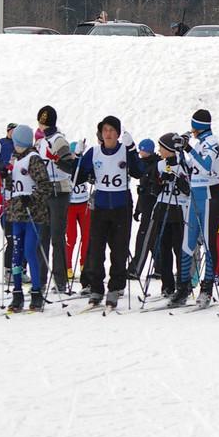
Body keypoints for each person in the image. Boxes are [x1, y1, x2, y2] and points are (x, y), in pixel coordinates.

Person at [75, 116, 144, 308]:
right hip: (101, 205)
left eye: (112, 130)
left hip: (121, 204)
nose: (109, 134)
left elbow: (139, 172)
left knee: (119, 250)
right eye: (105, 130)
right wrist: (77, 158)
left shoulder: (124, 150)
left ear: (118, 133)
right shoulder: (95, 152)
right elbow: (77, 177)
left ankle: (115, 288)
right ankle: (96, 288)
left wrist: (132, 150)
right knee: (96, 250)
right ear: (101, 133)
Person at [176, 109, 219, 308]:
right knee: (188, 242)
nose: (191, 130)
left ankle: (206, 289)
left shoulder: (213, 142)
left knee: (208, 243)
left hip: (210, 196)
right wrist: (180, 153)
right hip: (194, 196)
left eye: (193, 126)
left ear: (199, 127)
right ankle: (184, 286)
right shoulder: (199, 143)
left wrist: (188, 149)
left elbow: (205, 166)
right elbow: (190, 169)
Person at [5, 124, 52, 312]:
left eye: (17, 143)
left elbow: (45, 185)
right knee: (16, 254)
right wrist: (4, 176)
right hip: (17, 213)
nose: (15, 147)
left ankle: (36, 292)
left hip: (33, 214)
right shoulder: (16, 160)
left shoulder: (33, 159)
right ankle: (17, 293)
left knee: (29, 252)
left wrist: (31, 198)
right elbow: (13, 185)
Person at [35, 105, 77, 294]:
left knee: (57, 237)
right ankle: (40, 279)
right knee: (42, 236)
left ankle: (60, 281)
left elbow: (70, 167)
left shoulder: (59, 140)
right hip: (45, 191)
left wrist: (56, 160)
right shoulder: (41, 142)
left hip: (59, 191)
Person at [148, 133, 190, 297]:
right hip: (162, 208)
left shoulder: (184, 165)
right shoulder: (159, 165)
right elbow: (153, 190)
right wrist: (160, 180)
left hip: (178, 210)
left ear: (169, 149)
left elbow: (188, 190)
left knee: (179, 249)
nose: (159, 150)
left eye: (162, 147)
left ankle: (183, 284)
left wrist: (178, 180)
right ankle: (167, 285)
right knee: (163, 249)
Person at [129, 138, 160, 278]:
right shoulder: (143, 164)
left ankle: (135, 269)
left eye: (142, 150)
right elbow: (142, 191)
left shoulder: (154, 165)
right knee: (152, 238)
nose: (140, 152)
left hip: (152, 208)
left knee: (143, 237)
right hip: (146, 205)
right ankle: (160, 268)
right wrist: (138, 209)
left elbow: (150, 189)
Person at [65, 141, 91, 292]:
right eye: (74, 153)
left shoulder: (83, 164)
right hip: (70, 206)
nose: (75, 156)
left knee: (86, 236)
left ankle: (84, 264)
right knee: (72, 237)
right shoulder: (69, 165)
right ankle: (67, 265)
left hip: (84, 204)